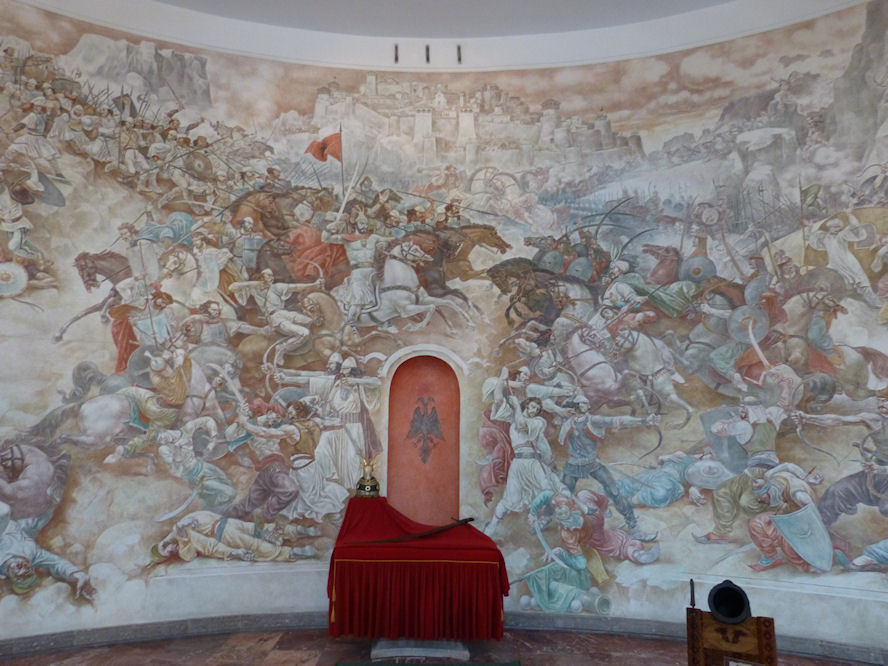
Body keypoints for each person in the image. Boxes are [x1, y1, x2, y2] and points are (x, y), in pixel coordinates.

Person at [557, 394, 659, 541]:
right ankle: (552, 522)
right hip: (573, 465)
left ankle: (633, 527)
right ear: (575, 406)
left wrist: (643, 420)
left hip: (593, 463)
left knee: (615, 491)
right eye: (582, 403)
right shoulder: (567, 421)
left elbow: (618, 420)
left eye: (586, 403)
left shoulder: (593, 420)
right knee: (563, 496)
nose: (587, 405)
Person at [483, 367, 569, 537]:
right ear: (526, 405)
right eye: (531, 406)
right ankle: (491, 527)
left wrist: (516, 407)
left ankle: (563, 520)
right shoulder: (513, 416)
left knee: (550, 489)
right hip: (519, 464)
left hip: (534, 463)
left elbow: (522, 425)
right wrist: (502, 377)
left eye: (537, 408)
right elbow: (499, 399)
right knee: (509, 501)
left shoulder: (539, 422)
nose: (534, 410)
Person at [274, 354, 382, 490]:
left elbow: (377, 382)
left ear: (353, 370)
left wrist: (355, 381)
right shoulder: (335, 382)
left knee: (352, 460)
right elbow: (308, 378)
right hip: (335, 427)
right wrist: (287, 378)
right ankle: (331, 482)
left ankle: (353, 489)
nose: (342, 371)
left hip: (353, 428)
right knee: (321, 452)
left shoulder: (360, 385)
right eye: (342, 368)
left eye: (346, 369)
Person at [0, 501, 95, 600]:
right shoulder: (34, 555)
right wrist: (77, 575)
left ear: (12, 579)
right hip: (21, 527)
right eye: (28, 572)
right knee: (48, 510)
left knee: (4, 512)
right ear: (32, 568)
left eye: (21, 576)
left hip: (6, 520)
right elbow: (56, 563)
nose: (23, 569)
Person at [229, 269, 323, 367]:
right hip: (275, 319)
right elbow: (232, 287)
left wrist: (314, 285)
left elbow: (296, 287)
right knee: (304, 333)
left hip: (285, 313)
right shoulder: (255, 290)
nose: (272, 277)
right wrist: (255, 284)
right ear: (262, 277)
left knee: (311, 321)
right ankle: (281, 349)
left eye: (272, 275)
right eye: (268, 275)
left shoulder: (276, 287)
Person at [150, 510, 316, 565]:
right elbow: (211, 547)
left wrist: (185, 524)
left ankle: (296, 531)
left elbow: (192, 522)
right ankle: (291, 553)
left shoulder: (179, 529)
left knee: (258, 530)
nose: (170, 549)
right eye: (168, 553)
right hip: (223, 533)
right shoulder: (185, 545)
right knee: (254, 544)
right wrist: (233, 553)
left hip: (227, 522)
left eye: (165, 547)